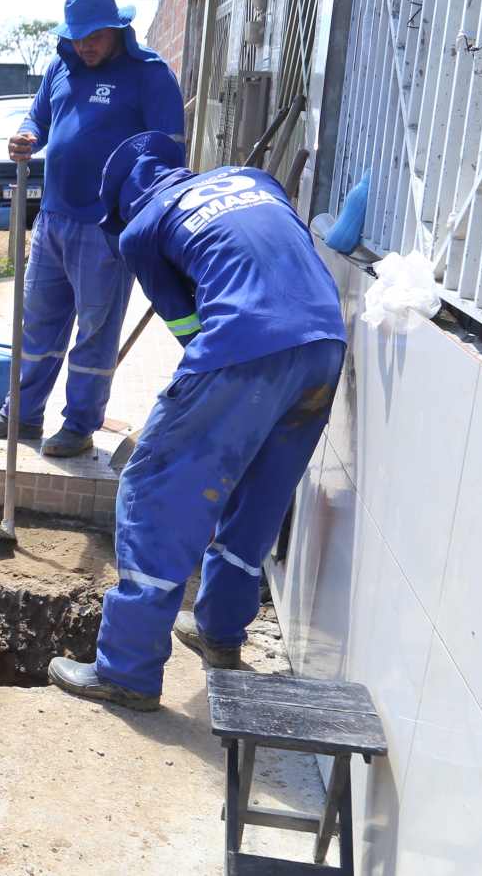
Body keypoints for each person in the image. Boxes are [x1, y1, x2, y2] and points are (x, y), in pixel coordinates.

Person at [48, 131, 347, 711]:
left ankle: (127, 669)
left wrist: (188, 422)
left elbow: (190, 332)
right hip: (324, 345)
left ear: (122, 204)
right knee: (260, 492)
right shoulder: (252, 178)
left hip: (243, 346)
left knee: (153, 488)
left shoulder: (141, 229)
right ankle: (220, 632)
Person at [0, 0, 185, 457]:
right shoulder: (60, 67)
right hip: (52, 219)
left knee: (94, 332)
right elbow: (38, 119)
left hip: (106, 227)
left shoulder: (150, 75)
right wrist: (26, 136)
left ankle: (79, 425)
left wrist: (143, 220)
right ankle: (22, 416)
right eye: (77, 36)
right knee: (37, 324)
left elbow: (168, 152)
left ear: (118, 29)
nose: (85, 45)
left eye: (94, 36)